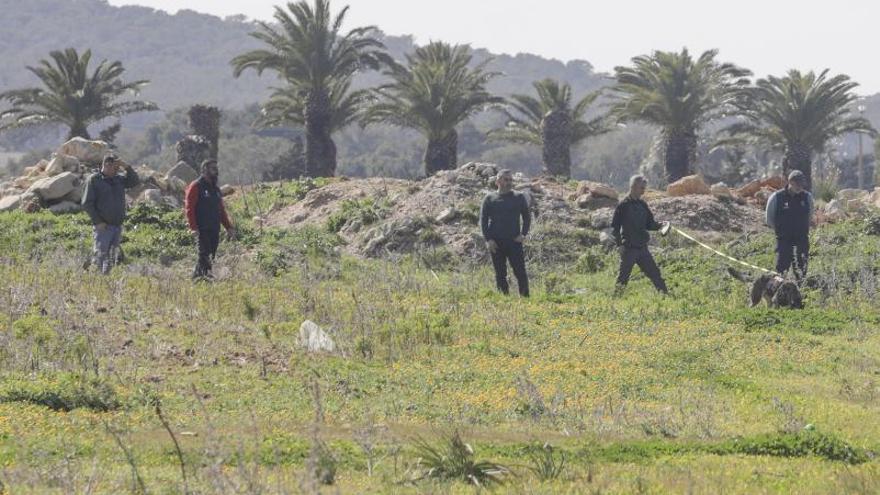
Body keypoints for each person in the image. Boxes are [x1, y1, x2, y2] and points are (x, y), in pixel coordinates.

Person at [81, 153, 139, 274]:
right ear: (106, 165)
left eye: (118, 168)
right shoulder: (94, 180)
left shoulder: (118, 179)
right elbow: (87, 203)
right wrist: (98, 222)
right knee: (100, 256)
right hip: (104, 227)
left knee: (112, 257)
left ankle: (106, 281)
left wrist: (126, 166)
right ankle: (94, 279)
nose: (117, 170)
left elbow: (134, 181)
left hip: (117, 227)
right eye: (114, 168)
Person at [611, 174, 669, 294]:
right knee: (623, 278)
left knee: (655, 274)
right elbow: (615, 227)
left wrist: (661, 225)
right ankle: (615, 301)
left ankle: (665, 296)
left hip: (643, 248)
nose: (643, 191)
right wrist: (619, 245)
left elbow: (650, 224)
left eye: (644, 188)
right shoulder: (623, 205)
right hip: (629, 248)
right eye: (641, 188)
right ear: (633, 187)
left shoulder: (643, 205)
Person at [480, 169, 531, 297]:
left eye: (510, 180)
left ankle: (525, 299)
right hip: (496, 243)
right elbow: (483, 221)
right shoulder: (489, 198)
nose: (509, 182)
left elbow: (527, 217)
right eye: (506, 179)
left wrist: (523, 234)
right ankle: (504, 299)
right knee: (500, 273)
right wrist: (488, 240)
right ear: (498, 181)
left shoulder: (518, 197)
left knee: (520, 272)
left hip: (514, 241)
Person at [184, 159, 235, 280]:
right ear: (204, 170)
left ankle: (199, 278)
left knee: (211, 255)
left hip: (214, 228)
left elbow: (221, 210)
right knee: (204, 255)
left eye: (216, 168)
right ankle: (202, 280)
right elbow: (189, 208)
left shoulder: (216, 190)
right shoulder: (196, 186)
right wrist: (193, 227)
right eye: (213, 168)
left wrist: (228, 227)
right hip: (202, 229)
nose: (216, 171)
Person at [766, 170, 813, 281]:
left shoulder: (807, 197)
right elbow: (769, 219)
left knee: (801, 271)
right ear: (790, 182)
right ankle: (778, 295)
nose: (799, 187)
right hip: (784, 241)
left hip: (801, 240)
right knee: (781, 272)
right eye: (797, 184)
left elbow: (810, 216)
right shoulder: (776, 197)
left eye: (802, 184)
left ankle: (801, 294)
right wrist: (781, 230)